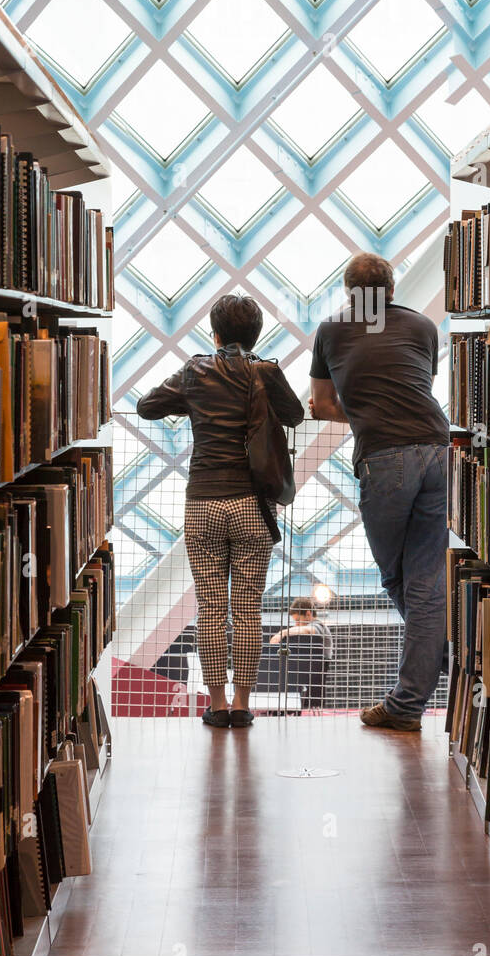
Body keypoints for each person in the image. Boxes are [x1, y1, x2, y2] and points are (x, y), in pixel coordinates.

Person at [137, 294, 304, 729]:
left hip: (204, 504)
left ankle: (217, 705)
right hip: (251, 504)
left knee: (211, 607)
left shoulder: (195, 371)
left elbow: (147, 406)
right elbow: (296, 415)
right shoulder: (264, 371)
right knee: (248, 608)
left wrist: (191, 401)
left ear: (214, 333)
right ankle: (243, 704)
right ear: (255, 335)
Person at [309, 253, 448, 732]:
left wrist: (364, 410)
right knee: (426, 584)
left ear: (350, 291)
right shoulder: (423, 325)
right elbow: (417, 388)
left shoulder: (331, 330)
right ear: (391, 288)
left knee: (396, 579)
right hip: (438, 448)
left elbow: (322, 405)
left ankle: (413, 690)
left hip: (385, 457)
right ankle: (417, 686)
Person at [269, 597, 334, 661]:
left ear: (308, 614)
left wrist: (283, 633)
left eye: (298, 620)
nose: (296, 625)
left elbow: (308, 630)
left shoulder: (319, 626)